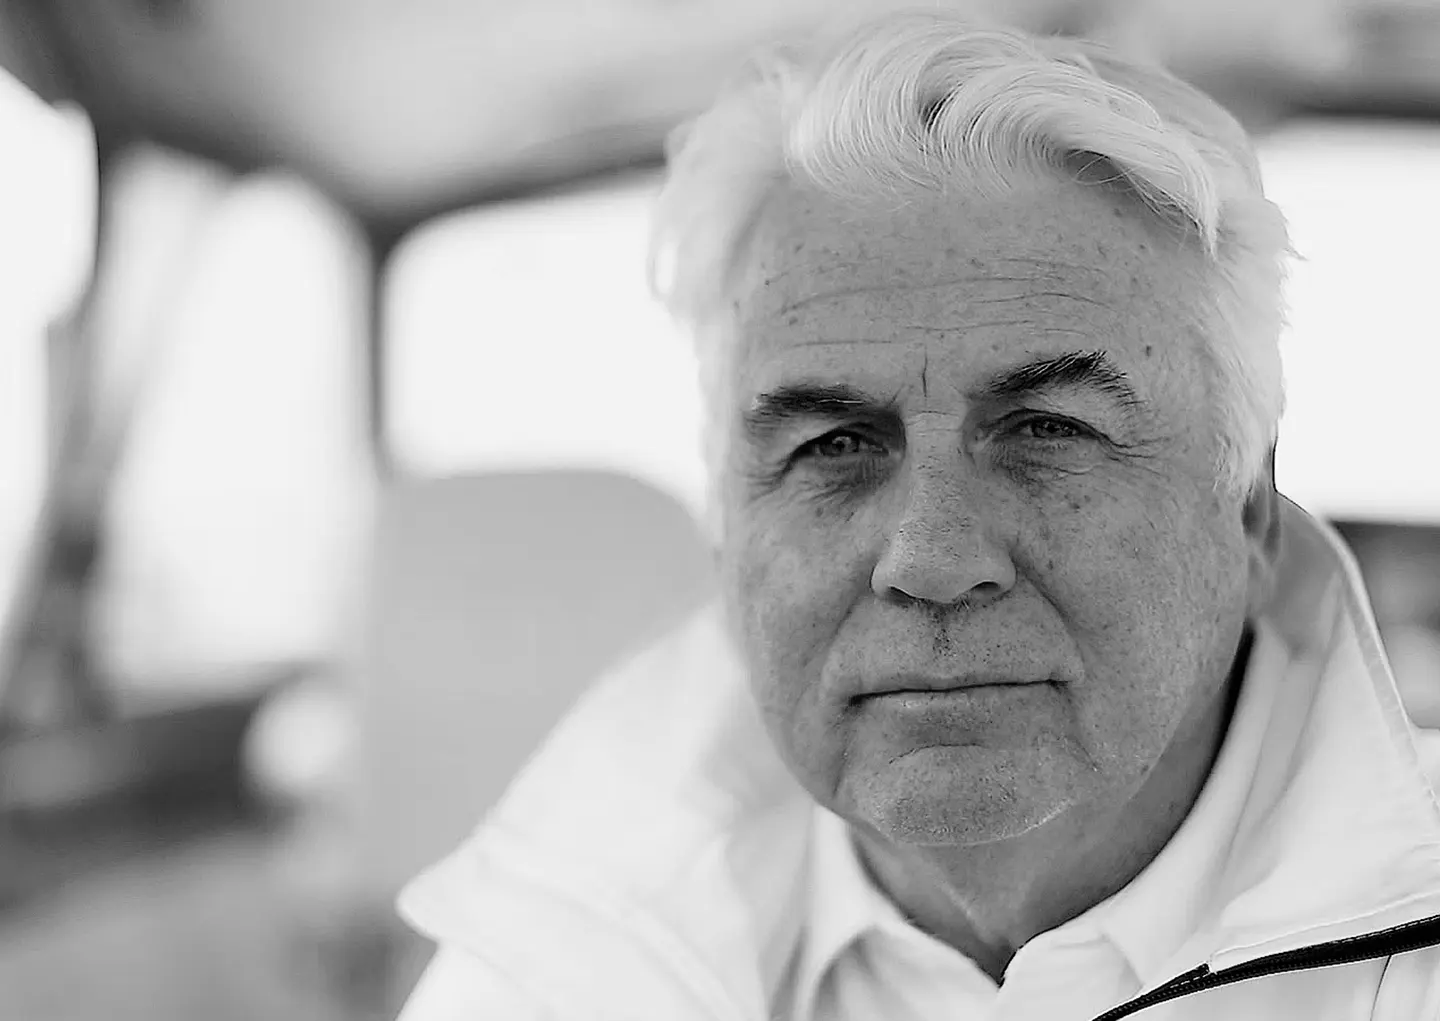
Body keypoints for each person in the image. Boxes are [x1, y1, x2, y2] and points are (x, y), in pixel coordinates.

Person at [393, 11, 1440, 1019]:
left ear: (1248, 510)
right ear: (727, 533)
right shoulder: (549, 966)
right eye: (833, 446)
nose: (931, 558)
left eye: (1047, 429)